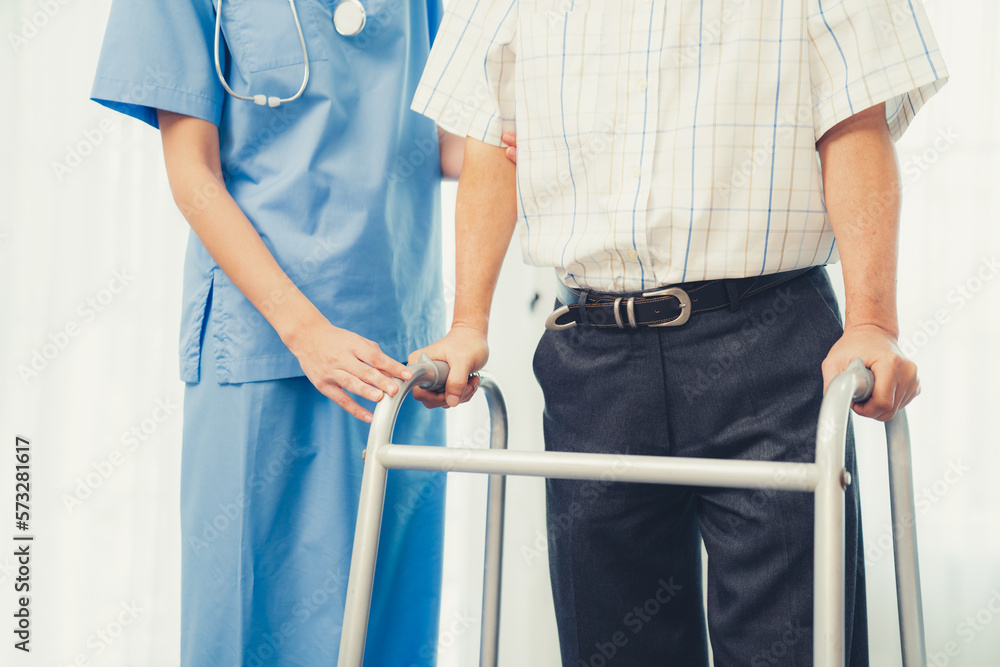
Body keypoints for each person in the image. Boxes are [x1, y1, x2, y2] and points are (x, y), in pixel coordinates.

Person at [409, 1, 946, 665]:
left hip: (768, 342)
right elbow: (491, 132)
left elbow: (856, 121)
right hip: (592, 355)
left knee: (795, 648)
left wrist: (872, 322)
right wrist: (468, 321)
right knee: (616, 647)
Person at [89, 0, 491, 664]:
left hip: (397, 356)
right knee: (253, 628)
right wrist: (304, 330)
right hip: (263, 350)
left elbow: (438, 135)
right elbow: (193, 173)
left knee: (387, 631)